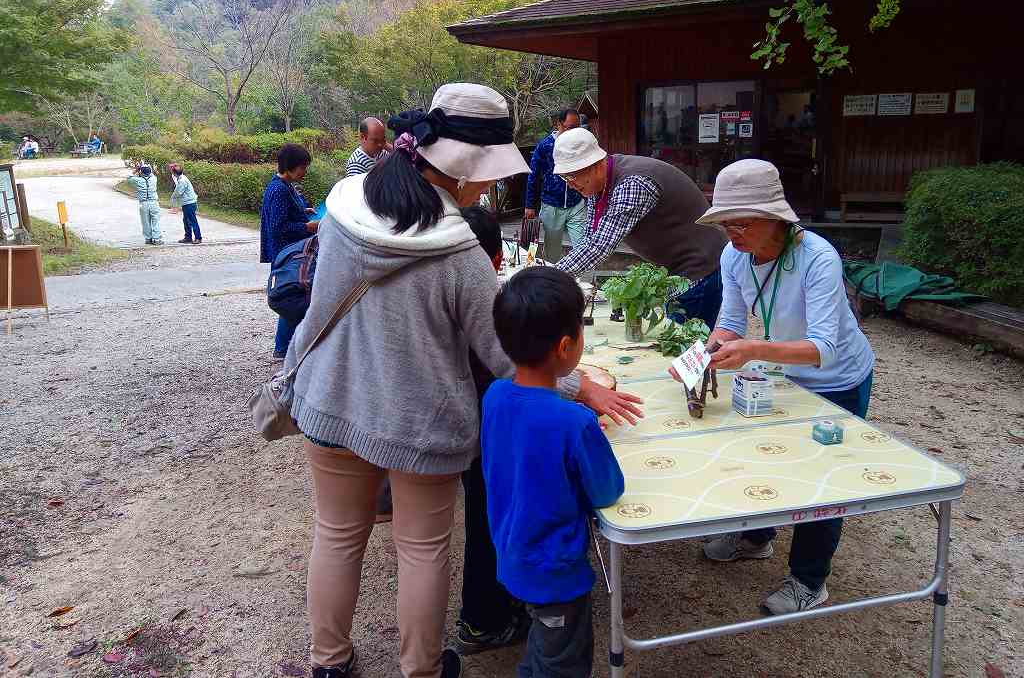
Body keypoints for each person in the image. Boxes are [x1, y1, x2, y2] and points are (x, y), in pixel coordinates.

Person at [286, 83, 641, 678]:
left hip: (330, 397)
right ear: (462, 167)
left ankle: (329, 661)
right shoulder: (458, 252)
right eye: (486, 174)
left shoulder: (345, 203)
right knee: (421, 551)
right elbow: (512, 359)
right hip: (417, 421)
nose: (489, 187)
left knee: (338, 534)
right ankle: (421, 669)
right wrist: (583, 388)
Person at [683, 158, 875, 615]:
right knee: (763, 452)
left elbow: (825, 346)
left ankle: (810, 580)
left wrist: (752, 350)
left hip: (838, 378)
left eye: (743, 223)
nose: (733, 233)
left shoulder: (817, 257)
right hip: (784, 369)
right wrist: (702, 355)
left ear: (776, 219)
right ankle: (757, 536)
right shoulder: (733, 256)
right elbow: (729, 321)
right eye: (726, 222)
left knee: (823, 480)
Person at [483, 266, 625, 678]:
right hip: (556, 573)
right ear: (566, 346)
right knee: (563, 662)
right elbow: (607, 490)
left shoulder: (494, 396)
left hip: (512, 552)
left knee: (544, 649)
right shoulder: (572, 421)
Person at [551, 127, 728, 330]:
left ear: (595, 164)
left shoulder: (633, 182)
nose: (570, 184)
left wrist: (550, 277)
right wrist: (557, 273)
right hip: (677, 267)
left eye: (572, 176)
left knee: (686, 346)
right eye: (565, 178)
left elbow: (600, 246)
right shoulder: (598, 186)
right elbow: (590, 237)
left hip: (700, 266)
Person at [453, 205, 529, 655]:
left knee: (485, 514)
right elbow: (512, 367)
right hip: (482, 427)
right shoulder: (481, 298)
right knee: (486, 518)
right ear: (496, 260)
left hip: (461, 421)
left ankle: (494, 604)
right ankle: (483, 620)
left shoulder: (439, 282)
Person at [260, 143, 318, 359]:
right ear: (291, 167)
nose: (304, 172)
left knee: (292, 295)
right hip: (286, 253)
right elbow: (279, 227)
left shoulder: (286, 186)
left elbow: (287, 213)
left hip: (292, 251)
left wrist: (304, 211)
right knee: (290, 296)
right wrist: (308, 226)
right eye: (302, 168)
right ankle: (282, 348)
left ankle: (286, 345)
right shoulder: (278, 190)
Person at [524, 108, 587, 264]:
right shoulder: (545, 146)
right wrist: (529, 205)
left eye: (577, 127)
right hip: (552, 205)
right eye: (570, 127)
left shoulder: (581, 144)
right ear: (558, 124)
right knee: (552, 252)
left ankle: (585, 286)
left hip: (576, 203)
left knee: (584, 248)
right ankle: (555, 283)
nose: (574, 131)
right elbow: (533, 175)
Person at [126, 162, 163, 245]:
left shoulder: (138, 180)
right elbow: (152, 173)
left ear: (141, 172)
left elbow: (129, 178)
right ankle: (156, 239)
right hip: (154, 202)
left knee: (145, 222)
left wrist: (136, 170)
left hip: (143, 203)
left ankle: (148, 238)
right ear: (150, 172)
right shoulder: (154, 179)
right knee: (155, 221)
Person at [168, 163, 202, 244]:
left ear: (175, 173)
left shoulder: (182, 180)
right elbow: (174, 178)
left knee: (192, 221)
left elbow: (178, 192)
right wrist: (172, 169)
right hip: (187, 203)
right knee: (186, 221)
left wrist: (172, 200)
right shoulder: (180, 177)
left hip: (189, 203)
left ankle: (198, 238)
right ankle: (188, 237)